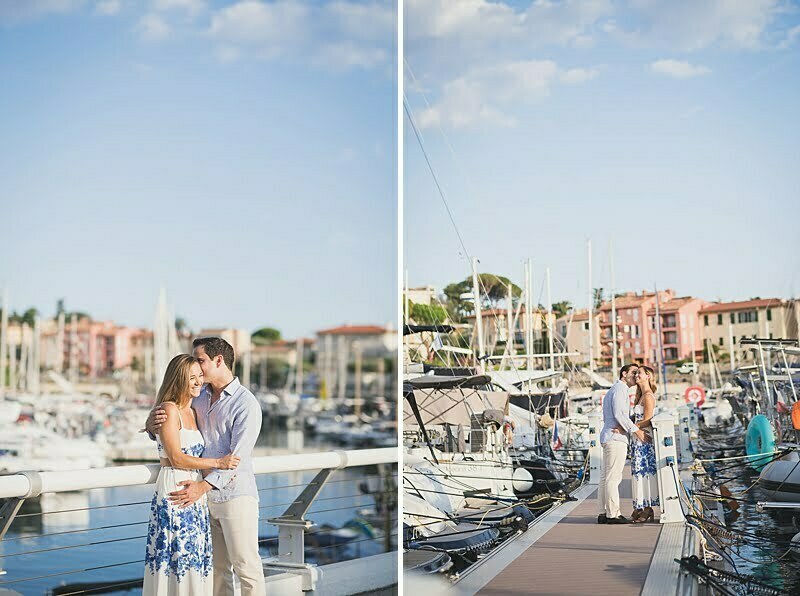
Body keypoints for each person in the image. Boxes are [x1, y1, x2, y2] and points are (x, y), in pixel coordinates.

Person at [146, 337, 265, 596]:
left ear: (218, 360)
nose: (198, 373)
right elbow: (172, 423)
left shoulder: (246, 404)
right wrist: (151, 422)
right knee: (216, 570)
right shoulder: (198, 398)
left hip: (233, 495)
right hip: (200, 500)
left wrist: (203, 485)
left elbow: (238, 457)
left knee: (246, 567)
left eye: (200, 361)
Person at [597, 363, 649, 525]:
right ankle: (613, 514)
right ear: (624, 374)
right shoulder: (620, 390)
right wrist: (636, 431)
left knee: (606, 477)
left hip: (609, 436)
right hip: (615, 439)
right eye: (633, 373)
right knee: (613, 478)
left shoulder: (615, 389)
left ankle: (603, 512)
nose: (635, 376)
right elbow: (620, 413)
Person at [630, 365, 659, 522]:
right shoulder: (640, 396)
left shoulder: (648, 396)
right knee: (637, 472)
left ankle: (648, 508)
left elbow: (647, 419)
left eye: (639, 373)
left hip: (644, 440)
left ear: (648, 376)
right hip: (637, 440)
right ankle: (640, 506)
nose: (636, 376)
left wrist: (631, 428)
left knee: (645, 473)